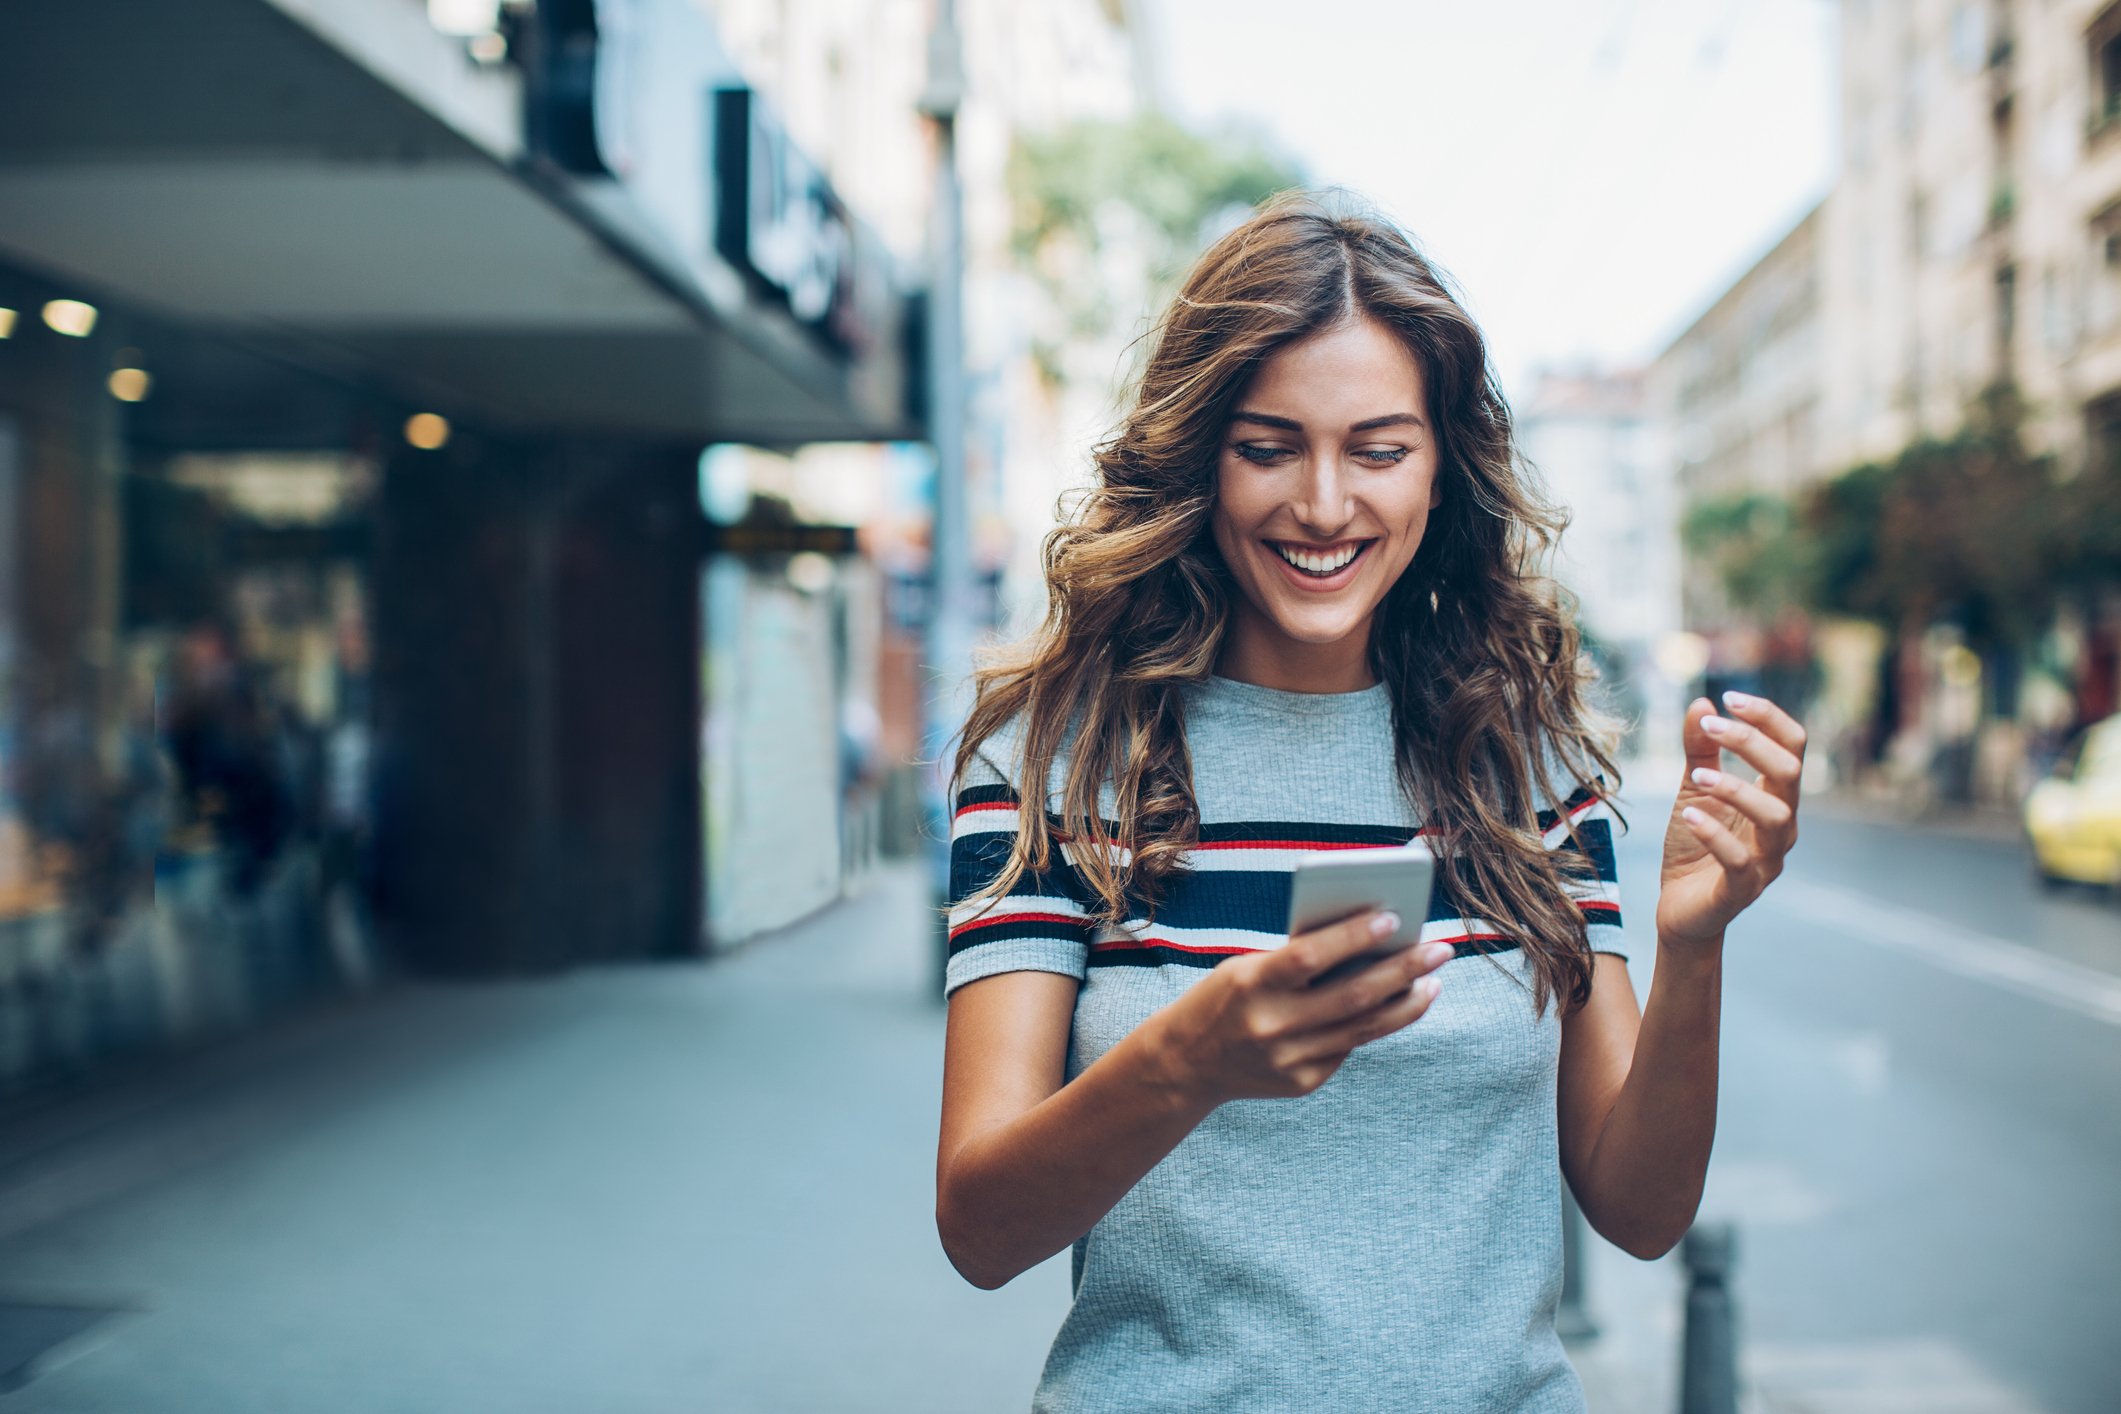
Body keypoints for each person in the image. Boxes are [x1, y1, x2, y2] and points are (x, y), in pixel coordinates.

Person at [934, 193, 1805, 1413]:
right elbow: (979, 1227)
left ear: (1442, 471)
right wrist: (1190, 1061)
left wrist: (1693, 946)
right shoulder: (1060, 765)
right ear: (1199, 457)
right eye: (1269, 445)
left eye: (1379, 450)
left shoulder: (1529, 762)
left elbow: (1640, 1209)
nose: (1327, 504)